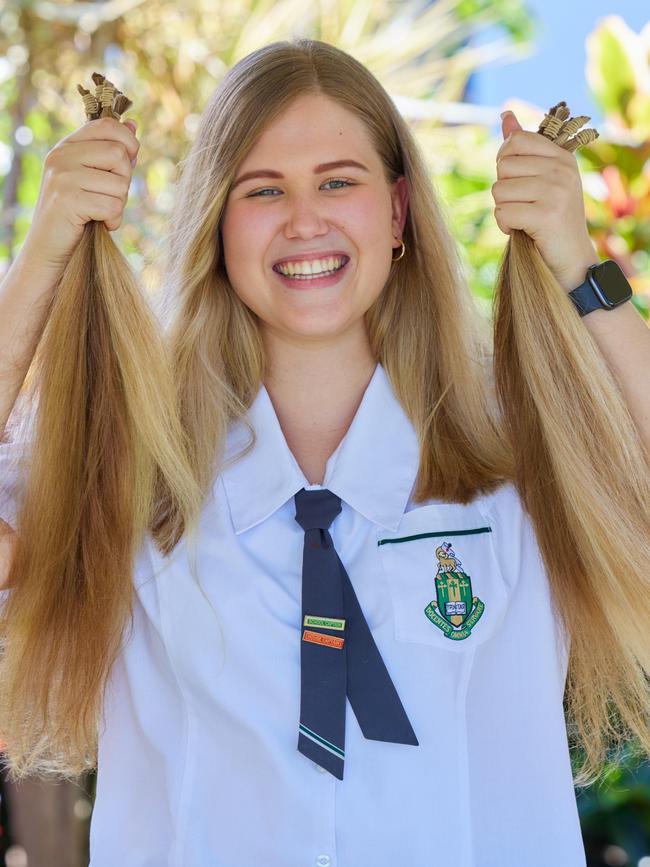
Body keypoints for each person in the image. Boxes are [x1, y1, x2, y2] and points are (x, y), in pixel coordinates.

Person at [1, 38, 650, 867]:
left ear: (397, 212)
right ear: (217, 225)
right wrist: (48, 247)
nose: (305, 220)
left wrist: (578, 264)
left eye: (339, 181)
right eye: (263, 190)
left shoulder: (519, 447)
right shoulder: (129, 463)